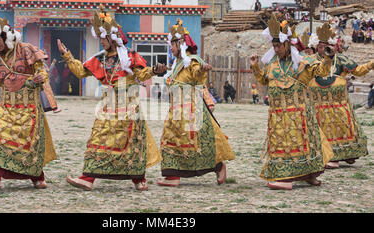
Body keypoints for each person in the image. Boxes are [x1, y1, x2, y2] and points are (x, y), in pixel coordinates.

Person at [59, 5, 166, 191]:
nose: (101, 41)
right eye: (99, 37)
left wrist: (154, 71)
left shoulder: (129, 56)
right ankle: (87, 178)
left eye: (103, 38)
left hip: (129, 107)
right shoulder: (99, 59)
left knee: (132, 143)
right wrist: (66, 55)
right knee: (98, 139)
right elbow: (79, 71)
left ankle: (139, 178)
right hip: (108, 107)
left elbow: (141, 75)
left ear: (112, 37)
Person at [0, 9, 57, 189]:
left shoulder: (25, 49)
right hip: (6, 106)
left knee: (27, 144)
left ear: (6, 36)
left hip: (28, 107)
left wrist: (40, 77)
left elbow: (41, 69)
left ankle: (38, 176)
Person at [249, 14, 335, 190]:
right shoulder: (273, 64)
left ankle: (292, 177)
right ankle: (304, 175)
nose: (276, 49)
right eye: (274, 46)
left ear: (287, 44)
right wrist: (256, 66)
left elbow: (322, 72)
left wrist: (327, 58)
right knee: (283, 145)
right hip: (278, 115)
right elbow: (264, 80)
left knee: (300, 144)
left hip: (299, 114)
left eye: (279, 45)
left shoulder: (302, 62)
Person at [156, 19, 235, 187]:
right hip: (175, 109)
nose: (170, 48)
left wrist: (202, 69)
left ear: (181, 44)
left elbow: (197, 74)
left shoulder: (192, 61)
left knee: (198, 143)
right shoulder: (177, 63)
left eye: (172, 44)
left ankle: (218, 165)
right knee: (170, 139)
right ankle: (172, 175)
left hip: (191, 109)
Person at [308, 23, 373, 168]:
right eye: (320, 46)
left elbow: (358, 70)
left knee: (343, 128)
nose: (323, 49)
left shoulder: (341, 59)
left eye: (326, 46)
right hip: (318, 104)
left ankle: (348, 153)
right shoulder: (310, 60)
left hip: (339, 104)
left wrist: (371, 64)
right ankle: (329, 155)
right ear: (315, 46)